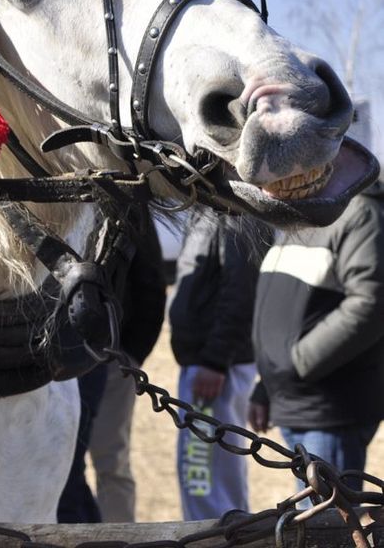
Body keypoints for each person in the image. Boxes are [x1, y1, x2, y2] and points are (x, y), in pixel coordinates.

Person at [249, 180, 384, 486]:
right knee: (311, 522)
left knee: (329, 524)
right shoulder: (304, 214)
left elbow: (371, 304)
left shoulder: (360, 212)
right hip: (297, 402)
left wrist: (296, 364)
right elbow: (288, 313)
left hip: (330, 411)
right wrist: (267, 386)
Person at [57, 210, 167, 523]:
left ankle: (120, 535)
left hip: (110, 357)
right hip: (57, 359)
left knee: (111, 461)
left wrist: (130, 354)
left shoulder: (122, 205)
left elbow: (150, 282)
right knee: (67, 467)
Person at [170, 211, 271, 521]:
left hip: (216, 369)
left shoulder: (236, 216)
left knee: (207, 480)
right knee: (202, 476)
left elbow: (241, 293)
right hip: (204, 363)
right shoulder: (207, 211)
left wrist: (215, 361)